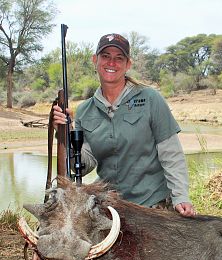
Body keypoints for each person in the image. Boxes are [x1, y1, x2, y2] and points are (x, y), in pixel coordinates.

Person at [53, 33, 195, 217]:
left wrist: (181, 196)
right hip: (109, 207)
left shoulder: (151, 99)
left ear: (128, 64)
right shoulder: (84, 110)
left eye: (119, 58)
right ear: (95, 60)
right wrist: (64, 133)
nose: (111, 63)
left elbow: (171, 154)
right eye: (105, 56)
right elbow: (83, 165)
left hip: (152, 205)